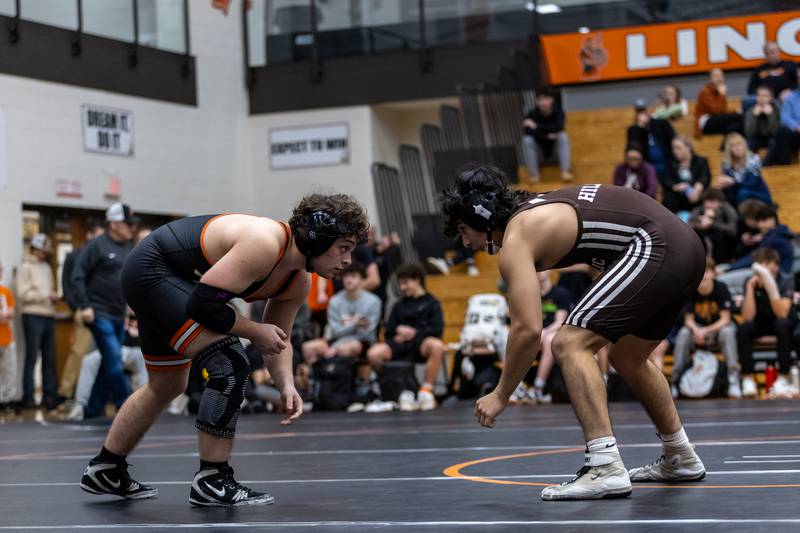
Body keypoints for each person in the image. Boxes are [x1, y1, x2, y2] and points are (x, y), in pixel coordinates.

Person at [78, 193, 368, 507]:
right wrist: (255, 330)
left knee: (168, 383)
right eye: (344, 248)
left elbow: (277, 339)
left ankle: (106, 467)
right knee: (230, 362)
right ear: (316, 238)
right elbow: (204, 305)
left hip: (167, 279)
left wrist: (286, 384)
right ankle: (213, 478)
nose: (348, 261)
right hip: (153, 270)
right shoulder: (265, 243)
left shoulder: (296, 282)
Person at [440, 166, 706, 501]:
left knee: (569, 342)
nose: (465, 242)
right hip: (686, 247)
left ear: (482, 215)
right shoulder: (539, 210)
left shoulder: (517, 236)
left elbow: (527, 329)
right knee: (627, 356)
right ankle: (680, 454)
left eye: (464, 229)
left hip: (657, 244)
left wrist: (501, 394)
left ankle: (604, 465)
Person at [71, 203, 136, 416]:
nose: (131, 228)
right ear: (114, 223)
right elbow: (77, 276)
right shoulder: (96, 246)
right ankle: (128, 408)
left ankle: (92, 409)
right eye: (127, 224)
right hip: (99, 313)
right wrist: (85, 305)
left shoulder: (128, 247)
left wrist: (129, 305)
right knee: (115, 363)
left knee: (106, 364)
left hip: (118, 314)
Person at [366, 263, 445, 411]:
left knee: (437, 345)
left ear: (417, 280)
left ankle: (425, 391)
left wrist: (415, 333)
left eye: (405, 283)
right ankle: (389, 386)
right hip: (400, 345)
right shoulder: (399, 305)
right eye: (401, 283)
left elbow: (437, 329)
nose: (402, 287)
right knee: (373, 353)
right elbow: (388, 331)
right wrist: (397, 332)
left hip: (420, 344)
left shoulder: (432, 303)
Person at [671, 258, 740, 398]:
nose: (704, 276)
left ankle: (733, 379)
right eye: (700, 272)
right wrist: (697, 330)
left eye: (707, 271)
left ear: (713, 273)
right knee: (684, 333)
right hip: (697, 332)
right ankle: (675, 380)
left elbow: (725, 319)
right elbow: (688, 320)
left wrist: (705, 331)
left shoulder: (721, 288)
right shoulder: (690, 290)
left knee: (728, 331)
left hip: (717, 331)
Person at [737, 248, 798, 398]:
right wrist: (751, 288)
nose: (763, 268)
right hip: (761, 322)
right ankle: (747, 377)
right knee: (744, 328)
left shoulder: (786, 280)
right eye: (761, 264)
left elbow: (782, 313)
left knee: (781, 325)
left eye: (767, 264)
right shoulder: (750, 281)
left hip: (783, 322)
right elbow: (748, 316)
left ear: (776, 266)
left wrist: (770, 285)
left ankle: (783, 376)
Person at [301, 262, 381, 366]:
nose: (349, 280)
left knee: (348, 348)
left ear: (362, 279)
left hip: (363, 342)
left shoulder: (373, 301)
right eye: (346, 276)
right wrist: (356, 325)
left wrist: (339, 342)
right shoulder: (334, 301)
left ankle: (344, 380)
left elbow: (366, 333)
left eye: (353, 276)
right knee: (308, 347)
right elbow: (335, 332)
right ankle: (316, 379)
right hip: (338, 340)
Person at [59, 219, 104, 399]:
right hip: (84, 309)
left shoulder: (104, 254)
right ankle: (66, 393)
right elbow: (67, 283)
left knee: (100, 354)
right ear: (89, 235)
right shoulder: (76, 255)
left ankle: (90, 396)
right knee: (79, 352)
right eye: (99, 236)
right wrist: (76, 305)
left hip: (104, 310)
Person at [513, 270, 571, 404]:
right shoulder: (529, 295)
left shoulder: (561, 293)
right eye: (535, 269)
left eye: (542, 269)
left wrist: (544, 332)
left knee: (549, 339)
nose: (538, 272)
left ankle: (538, 387)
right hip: (535, 333)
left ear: (550, 271)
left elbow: (559, 322)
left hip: (553, 332)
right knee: (515, 338)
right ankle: (517, 386)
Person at [17, 233, 60, 410]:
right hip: (32, 315)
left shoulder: (46, 268)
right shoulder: (24, 267)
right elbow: (22, 294)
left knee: (50, 358)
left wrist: (52, 297)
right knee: (32, 357)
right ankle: (28, 397)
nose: (45, 253)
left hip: (48, 315)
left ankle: (49, 397)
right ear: (35, 248)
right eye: (43, 249)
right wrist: (45, 295)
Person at [521, 88, 573, 182]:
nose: (543, 102)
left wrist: (536, 126)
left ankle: (565, 172)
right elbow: (528, 131)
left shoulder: (558, 112)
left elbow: (558, 127)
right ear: (537, 101)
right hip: (539, 155)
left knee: (562, 136)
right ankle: (534, 175)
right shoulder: (531, 114)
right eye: (540, 99)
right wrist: (546, 136)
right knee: (527, 140)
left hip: (555, 154)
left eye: (546, 99)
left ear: (552, 100)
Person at [727, 203, 794, 274]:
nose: (760, 225)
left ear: (773, 220)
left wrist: (730, 269)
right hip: (772, 270)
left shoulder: (773, 239)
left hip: (777, 274)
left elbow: (753, 258)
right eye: (758, 221)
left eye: (764, 220)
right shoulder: (778, 233)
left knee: (724, 277)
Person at [714, 133, 773, 207]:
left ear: (745, 145)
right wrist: (720, 184)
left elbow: (752, 183)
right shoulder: (726, 164)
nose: (738, 148)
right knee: (720, 193)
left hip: (759, 194)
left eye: (740, 144)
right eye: (733, 146)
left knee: (743, 193)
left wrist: (733, 181)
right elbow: (727, 184)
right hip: (738, 195)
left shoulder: (754, 159)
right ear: (730, 150)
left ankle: (740, 217)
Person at [688, 188, 738, 264]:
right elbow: (689, 224)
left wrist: (713, 223)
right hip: (704, 238)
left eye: (712, 201)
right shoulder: (699, 209)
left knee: (719, 236)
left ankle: (721, 262)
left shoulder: (727, 210)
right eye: (707, 201)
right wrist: (700, 225)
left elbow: (733, 230)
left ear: (720, 202)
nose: (708, 204)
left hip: (723, 242)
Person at [626, 105, 675, 182]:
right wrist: (640, 127)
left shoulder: (661, 123)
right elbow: (633, 148)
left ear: (649, 110)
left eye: (644, 111)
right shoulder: (633, 130)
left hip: (667, 164)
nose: (643, 115)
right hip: (647, 166)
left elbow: (673, 139)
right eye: (640, 112)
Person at [662, 137, 710, 214]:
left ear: (688, 147)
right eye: (673, 148)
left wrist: (698, 188)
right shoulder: (671, 164)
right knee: (669, 196)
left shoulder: (701, 161)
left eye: (678, 148)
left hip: (696, 196)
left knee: (709, 195)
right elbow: (667, 181)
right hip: (678, 197)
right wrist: (678, 187)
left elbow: (705, 177)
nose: (675, 151)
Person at [694, 68, 743, 139]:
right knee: (739, 117)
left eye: (721, 76)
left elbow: (723, 112)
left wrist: (735, 111)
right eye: (716, 76)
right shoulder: (705, 91)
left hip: (717, 121)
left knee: (736, 126)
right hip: (706, 122)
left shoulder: (719, 92)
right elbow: (716, 111)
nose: (719, 79)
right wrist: (722, 95)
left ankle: (724, 146)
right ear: (710, 79)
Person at [764, 72, 800, 166]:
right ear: (798, 81)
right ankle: (784, 166)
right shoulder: (790, 98)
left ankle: (766, 165)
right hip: (797, 134)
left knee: (774, 143)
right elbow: (785, 118)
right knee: (782, 131)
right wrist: (796, 126)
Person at [745, 42, 797, 107]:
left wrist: (790, 90)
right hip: (765, 98)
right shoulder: (759, 69)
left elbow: (797, 83)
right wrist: (762, 96)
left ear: (779, 52)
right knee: (748, 100)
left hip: (786, 95)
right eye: (769, 52)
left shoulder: (789, 65)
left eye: (775, 52)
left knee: (789, 98)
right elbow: (751, 89)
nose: (773, 55)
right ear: (765, 54)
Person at [0, 260, 17, 410]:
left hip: (6, 337)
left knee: (9, 370)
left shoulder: (5, 292)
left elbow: (11, 310)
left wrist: (10, 313)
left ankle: (8, 400)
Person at [745, 85, 781, 153]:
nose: (761, 98)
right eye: (759, 95)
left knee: (774, 143)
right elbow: (749, 132)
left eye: (764, 95)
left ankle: (766, 163)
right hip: (757, 137)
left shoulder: (776, 110)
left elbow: (776, 132)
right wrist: (754, 116)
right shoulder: (750, 111)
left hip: (771, 137)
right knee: (748, 144)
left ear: (770, 98)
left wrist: (770, 116)